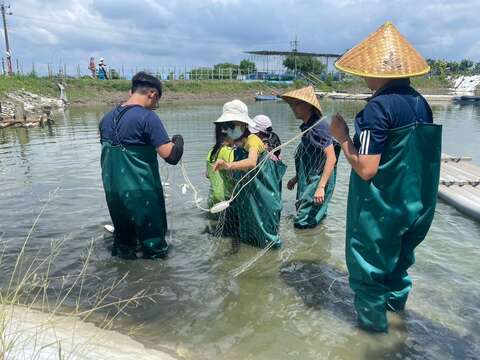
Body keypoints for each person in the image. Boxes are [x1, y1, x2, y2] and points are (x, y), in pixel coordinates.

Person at [329, 22, 442, 332]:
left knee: (368, 277)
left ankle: (373, 341)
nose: (363, 79)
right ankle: (399, 331)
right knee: (397, 272)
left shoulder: (377, 109)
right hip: (416, 205)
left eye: (365, 72)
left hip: (380, 210)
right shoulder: (422, 104)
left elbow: (366, 168)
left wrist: (341, 137)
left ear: (379, 71)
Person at [99, 72, 184, 260]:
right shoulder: (147, 118)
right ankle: (156, 284)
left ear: (132, 91)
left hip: (114, 193)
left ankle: (124, 284)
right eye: (156, 102)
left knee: (124, 244)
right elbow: (171, 156)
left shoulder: (105, 119)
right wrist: (178, 140)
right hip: (142, 192)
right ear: (152, 94)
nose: (155, 106)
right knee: (154, 247)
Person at [213, 100, 286, 248]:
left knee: (267, 239)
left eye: (231, 125)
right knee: (247, 237)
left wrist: (228, 165)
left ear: (243, 124)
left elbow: (252, 162)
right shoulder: (236, 141)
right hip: (247, 198)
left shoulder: (253, 140)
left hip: (263, 197)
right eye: (225, 125)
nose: (227, 129)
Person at [281, 86, 339, 229]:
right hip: (309, 178)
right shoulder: (308, 127)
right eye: (292, 104)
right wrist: (296, 178)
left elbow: (331, 158)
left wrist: (321, 187)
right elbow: (312, 157)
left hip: (319, 180)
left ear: (309, 105)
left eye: (297, 104)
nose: (293, 108)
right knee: (312, 217)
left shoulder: (319, 127)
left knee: (302, 222)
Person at [206, 119, 235, 208]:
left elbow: (207, 175)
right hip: (226, 200)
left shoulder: (211, 152)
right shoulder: (229, 152)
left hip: (213, 200)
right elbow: (235, 174)